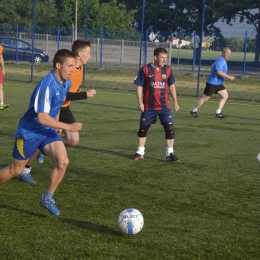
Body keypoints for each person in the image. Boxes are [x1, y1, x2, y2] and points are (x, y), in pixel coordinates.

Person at [0, 49, 82, 215]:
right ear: (58, 65)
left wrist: (57, 123)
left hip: (47, 131)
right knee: (15, 170)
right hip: (29, 132)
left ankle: (47, 198)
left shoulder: (66, 83)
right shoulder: (46, 84)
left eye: (74, 66)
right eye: (70, 65)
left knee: (63, 161)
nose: (73, 69)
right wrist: (67, 126)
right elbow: (42, 118)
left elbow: (57, 103)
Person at [20, 40, 96, 184]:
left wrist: (77, 92)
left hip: (64, 107)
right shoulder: (68, 71)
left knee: (73, 140)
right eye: (88, 53)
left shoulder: (79, 69)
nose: (90, 56)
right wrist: (85, 94)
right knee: (45, 137)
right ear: (80, 54)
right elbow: (62, 95)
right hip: (56, 107)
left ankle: (44, 148)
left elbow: (68, 92)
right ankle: (26, 168)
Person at [132, 47, 180, 162]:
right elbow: (139, 86)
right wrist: (140, 102)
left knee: (170, 130)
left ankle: (170, 154)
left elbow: (172, 86)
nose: (164, 60)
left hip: (164, 106)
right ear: (155, 57)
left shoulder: (168, 70)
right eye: (162, 58)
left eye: (166, 58)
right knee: (143, 129)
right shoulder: (145, 69)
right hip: (149, 106)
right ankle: (140, 152)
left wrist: (176, 102)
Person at [190, 47, 235, 118]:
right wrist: (229, 77)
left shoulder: (222, 60)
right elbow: (219, 72)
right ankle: (194, 110)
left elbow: (212, 66)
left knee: (225, 96)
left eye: (229, 54)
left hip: (218, 83)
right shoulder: (220, 60)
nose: (228, 55)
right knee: (205, 98)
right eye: (227, 53)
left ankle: (218, 113)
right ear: (223, 53)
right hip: (212, 83)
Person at [0, 45, 9, 110]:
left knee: (0, 86)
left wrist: (3, 69)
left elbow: (1, 58)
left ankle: (1, 104)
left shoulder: (0, 48)